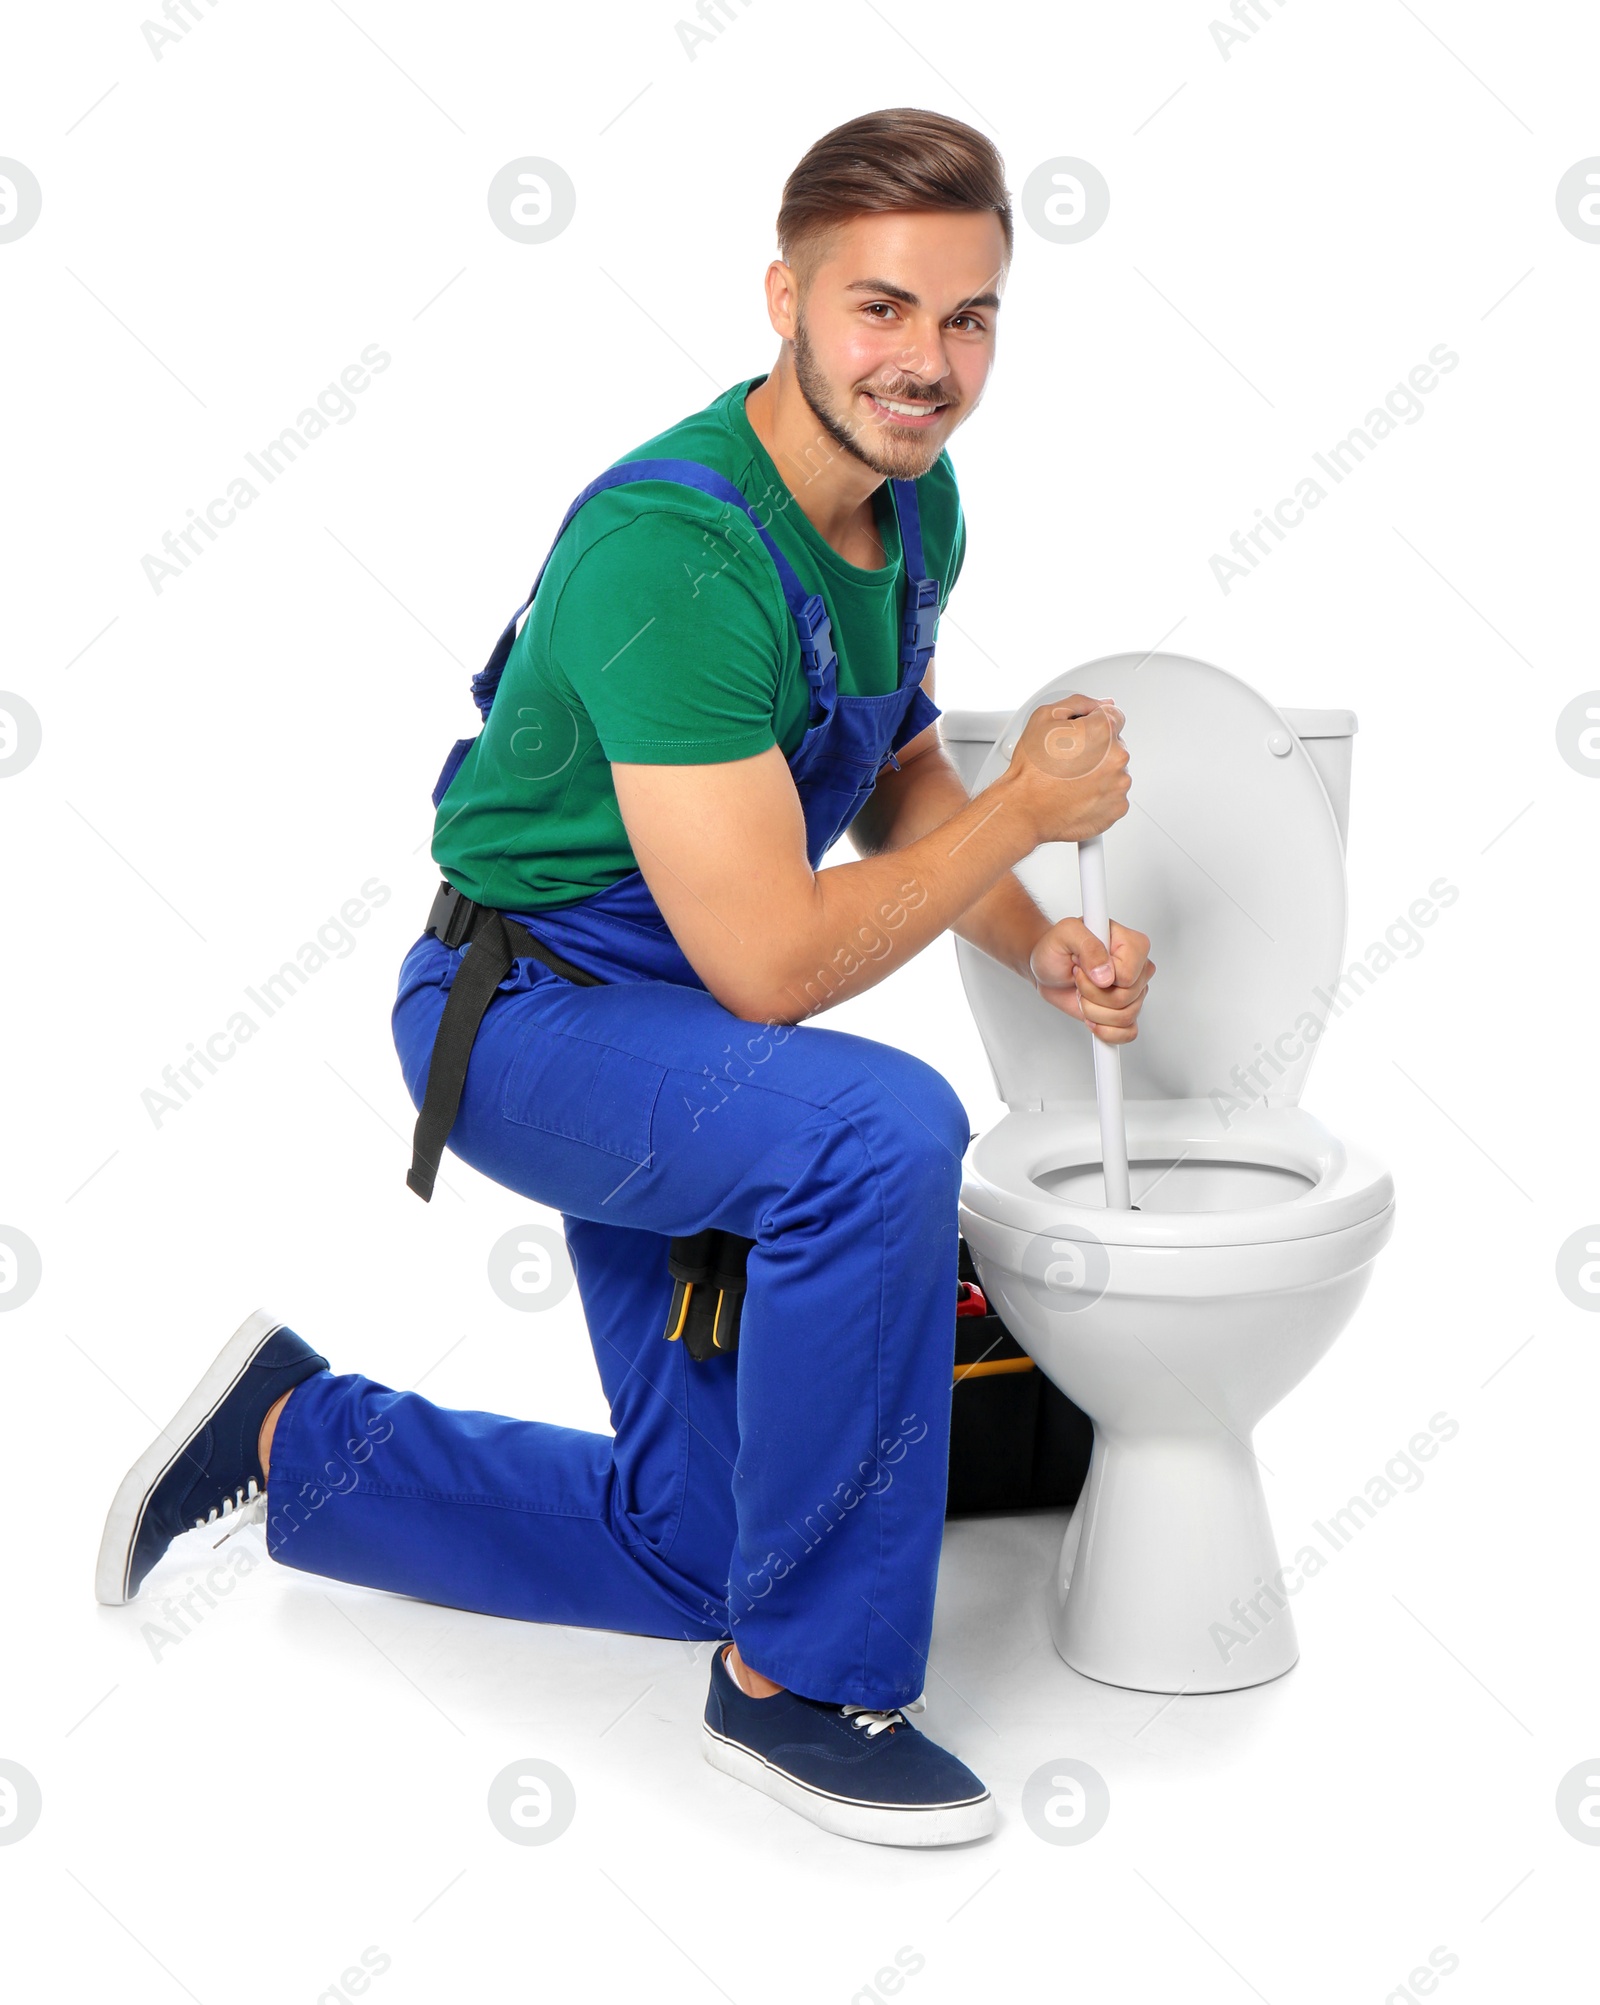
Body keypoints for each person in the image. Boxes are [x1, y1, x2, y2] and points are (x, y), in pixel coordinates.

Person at [96, 107, 1152, 1848]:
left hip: (669, 1025)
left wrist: (1039, 934)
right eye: (881, 309)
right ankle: (802, 1683)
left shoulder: (915, 498)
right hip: (530, 1017)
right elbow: (769, 963)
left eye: (968, 318)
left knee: (698, 1543)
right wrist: (1033, 799)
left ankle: (301, 1437)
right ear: (785, 300)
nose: (927, 362)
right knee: (878, 1130)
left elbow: (892, 766)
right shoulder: (677, 555)